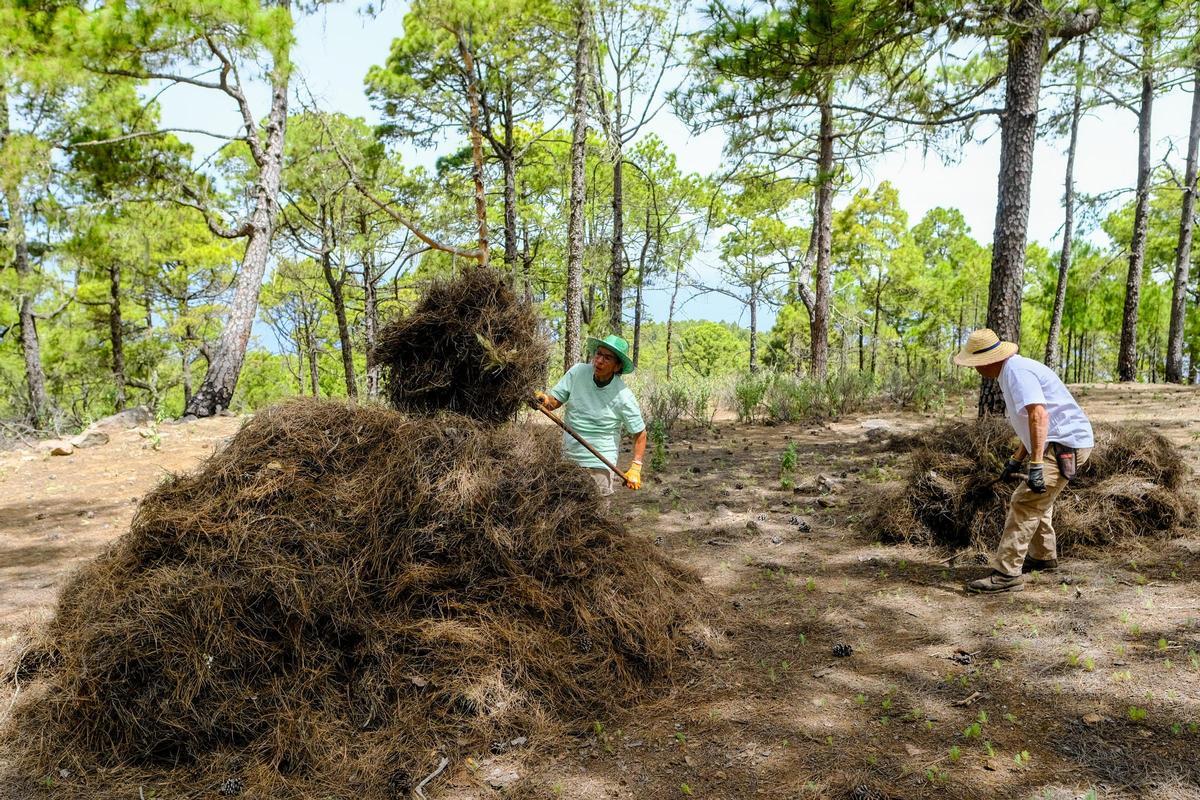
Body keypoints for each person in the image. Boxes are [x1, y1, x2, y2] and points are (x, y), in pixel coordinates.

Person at [953, 328, 1094, 594]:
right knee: (1040, 499)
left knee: (1025, 501)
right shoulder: (1011, 372)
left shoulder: (1016, 373)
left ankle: (1006, 574)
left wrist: (1037, 465)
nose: (975, 370)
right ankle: (1042, 558)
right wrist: (1016, 460)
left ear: (987, 360)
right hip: (1063, 441)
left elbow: (1039, 416)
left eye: (975, 364)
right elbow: (1030, 424)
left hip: (1064, 445)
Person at [534, 334, 647, 496]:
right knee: (565, 512)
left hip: (600, 464)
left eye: (607, 357)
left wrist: (636, 467)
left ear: (617, 366)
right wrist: (544, 400)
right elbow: (554, 402)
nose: (599, 360)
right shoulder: (578, 372)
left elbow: (640, 433)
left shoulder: (624, 396)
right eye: (598, 354)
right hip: (569, 459)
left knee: (597, 516)